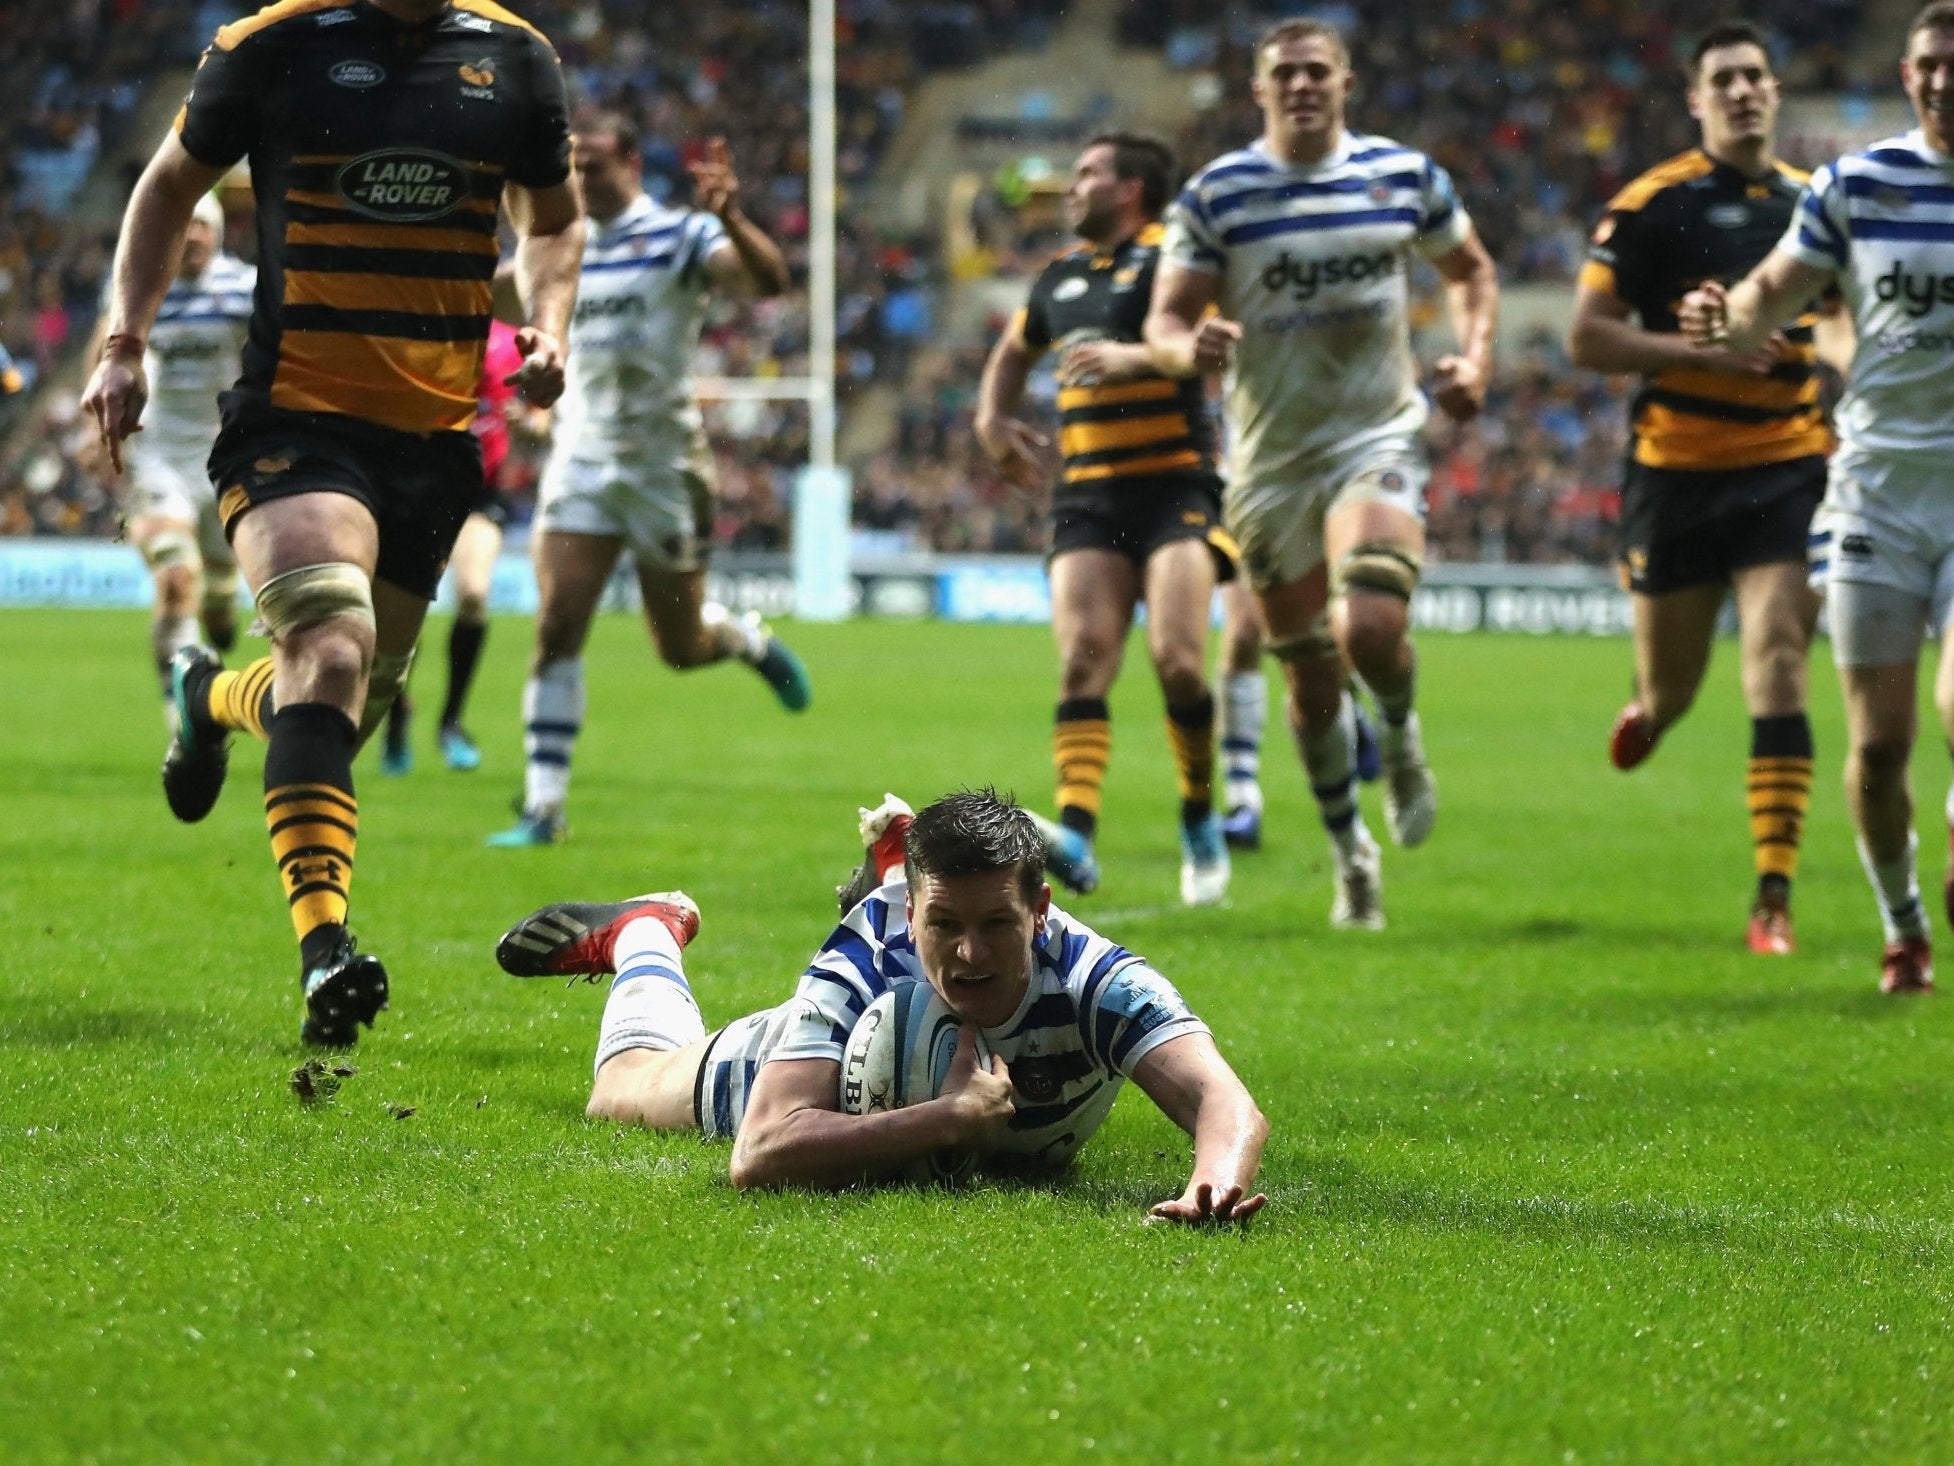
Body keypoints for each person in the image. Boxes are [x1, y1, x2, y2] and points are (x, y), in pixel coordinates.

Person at [80, 0, 582, 1045]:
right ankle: (325, 953)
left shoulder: (516, 58)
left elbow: (556, 216)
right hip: (294, 421)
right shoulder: (268, 47)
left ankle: (208, 696)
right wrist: (121, 341)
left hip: (438, 443)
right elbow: (169, 183)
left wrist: (549, 323)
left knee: (340, 700)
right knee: (329, 638)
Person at [495, 789, 1269, 1222]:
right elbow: (760, 1155)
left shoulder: (1096, 978)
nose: (970, 954)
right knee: (619, 1089)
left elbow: (1222, 1101)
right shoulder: (868, 947)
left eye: (996, 924)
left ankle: (902, 854)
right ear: (907, 916)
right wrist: (947, 1120)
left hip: (892, 1018)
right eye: (943, 923)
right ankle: (646, 933)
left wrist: (1214, 1183)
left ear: (1040, 911)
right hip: (798, 1067)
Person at [1145, 18, 1499, 929]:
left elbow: (1471, 271)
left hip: (1375, 436)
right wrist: (1194, 346)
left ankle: (1404, 735)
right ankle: (1352, 856)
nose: (1301, 85)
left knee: (1373, 625)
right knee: (1308, 687)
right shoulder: (1219, 194)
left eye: (1317, 71)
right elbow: (1164, 321)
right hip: (1268, 469)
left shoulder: (1403, 176)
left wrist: (1476, 358)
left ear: (1345, 82)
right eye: (1283, 74)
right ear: (1259, 90)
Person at [1681, 1, 1954, 995]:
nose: (1937, 78)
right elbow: (1768, 295)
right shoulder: (1857, 184)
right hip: (1877, 491)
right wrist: (1724, 315)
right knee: (1880, 745)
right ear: (1909, 74)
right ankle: (1903, 923)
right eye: (1925, 63)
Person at [1569, 22, 1845, 957]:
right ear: (1696, 99)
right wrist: (1691, 347)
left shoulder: (1819, 204)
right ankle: (1650, 710)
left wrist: (1842, 379)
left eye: (1755, 77)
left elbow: (1845, 319)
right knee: (1674, 691)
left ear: (1776, 91)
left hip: (1787, 466)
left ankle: (1774, 896)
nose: (1742, 93)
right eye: (1722, 80)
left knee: (1778, 659)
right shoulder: (1654, 206)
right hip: (1676, 474)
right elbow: (1587, 338)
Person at [489, 117, 810, 848]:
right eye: (572, 167)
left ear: (632, 163)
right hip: (582, 460)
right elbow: (491, 298)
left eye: (595, 166)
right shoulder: (554, 250)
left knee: (680, 647)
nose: (581, 180)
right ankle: (544, 808)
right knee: (556, 626)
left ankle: (744, 641)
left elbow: (768, 281)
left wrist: (731, 216)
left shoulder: (678, 236)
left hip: (664, 465)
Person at [974, 132, 1241, 906]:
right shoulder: (1058, 277)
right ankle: (1077, 837)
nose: (1071, 185)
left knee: (1180, 660)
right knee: (1083, 656)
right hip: (1088, 491)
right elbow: (1014, 351)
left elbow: (1212, 344)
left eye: (1087, 172)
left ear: (1130, 190)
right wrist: (992, 420)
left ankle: (1198, 811)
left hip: (1174, 483)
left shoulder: (1174, 260)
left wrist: (1141, 358)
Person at [91, 192, 253, 714]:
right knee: (176, 578)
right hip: (160, 456)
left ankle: (222, 603)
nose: (196, 237)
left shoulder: (244, 290)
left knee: (220, 603)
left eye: (205, 227)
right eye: (188, 227)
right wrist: (98, 431)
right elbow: (103, 359)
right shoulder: (141, 292)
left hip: (227, 458)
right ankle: (180, 712)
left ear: (218, 233)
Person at [383, 316, 528, 774]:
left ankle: (451, 722)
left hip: (481, 495)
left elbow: (541, 411)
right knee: (408, 613)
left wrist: (533, 422)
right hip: (420, 490)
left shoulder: (511, 344)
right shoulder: (424, 336)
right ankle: (396, 715)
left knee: (473, 594)